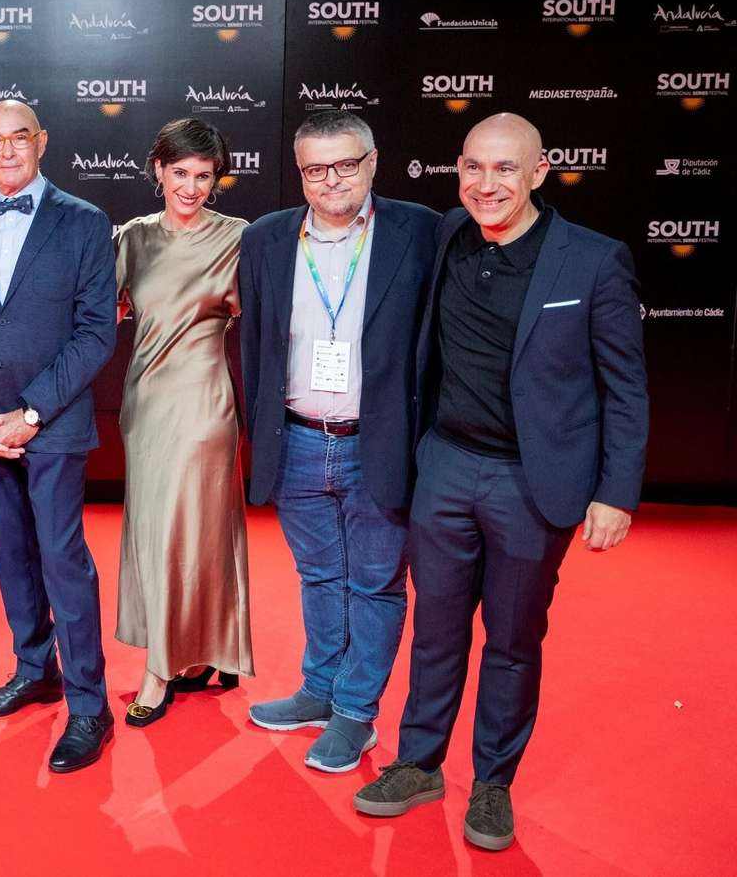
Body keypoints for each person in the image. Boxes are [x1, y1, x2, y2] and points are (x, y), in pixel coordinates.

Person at [355, 113, 647, 852]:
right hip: (446, 466)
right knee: (436, 630)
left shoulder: (593, 260)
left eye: (506, 168)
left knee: (513, 639)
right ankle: (419, 763)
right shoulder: (449, 233)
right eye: (474, 167)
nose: (487, 184)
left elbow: (626, 388)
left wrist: (616, 492)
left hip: (532, 484)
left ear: (541, 172)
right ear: (458, 170)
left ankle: (493, 783)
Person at [238, 109, 440, 773]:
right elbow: (255, 346)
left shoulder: (420, 231)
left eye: (346, 164)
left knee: (377, 584)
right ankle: (320, 691)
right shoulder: (266, 238)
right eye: (316, 169)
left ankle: (356, 712)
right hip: (296, 440)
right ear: (300, 173)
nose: (332, 180)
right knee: (320, 575)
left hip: (378, 442)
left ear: (373, 162)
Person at [0, 99, 118, 774]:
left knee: (62, 559)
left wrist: (30, 413)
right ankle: (35, 670)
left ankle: (89, 705)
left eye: (19, 138)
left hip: (53, 426)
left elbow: (96, 333)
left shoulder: (84, 222)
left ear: (41, 142)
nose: (7, 150)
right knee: (11, 555)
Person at [113, 119, 252, 728]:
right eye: (180, 173)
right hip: (144, 404)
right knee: (156, 533)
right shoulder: (132, 238)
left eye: (204, 176)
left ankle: (160, 667)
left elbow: (267, 315)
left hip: (203, 406)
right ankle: (199, 651)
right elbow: (103, 313)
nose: (191, 187)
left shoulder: (238, 238)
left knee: (190, 530)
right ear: (158, 170)